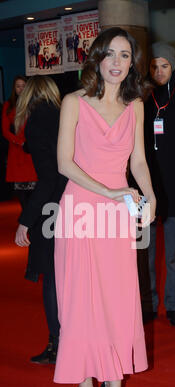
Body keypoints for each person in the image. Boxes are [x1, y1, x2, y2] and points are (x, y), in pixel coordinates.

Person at [53, 27, 156, 387]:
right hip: (80, 211)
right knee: (80, 306)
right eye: (110, 54)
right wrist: (111, 192)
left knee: (118, 304)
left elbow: (140, 162)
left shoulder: (135, 106)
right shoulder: (74, 102)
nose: (117, 62)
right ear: (96, 58)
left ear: (132, 63)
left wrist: (150, 198)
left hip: (116, 218)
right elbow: (64, 163)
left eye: (126, 55)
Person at [14, 76, 67, 364]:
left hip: (54, 206)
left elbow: (48, 177)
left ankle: (57, 344)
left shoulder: (36, 121)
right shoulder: (65, 115)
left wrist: (26, 219)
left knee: (51, 275)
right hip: (79, 200)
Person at [142, 42, 175, 327]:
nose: (159, 72)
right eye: (154, 66)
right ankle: (148, 303)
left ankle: (174, 305)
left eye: (164, 65)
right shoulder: (141, 101)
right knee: (146, 253)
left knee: (174, 254)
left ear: (173, 66)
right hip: (146, 189)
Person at [1, 75, 37, 210]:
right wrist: (19, 142)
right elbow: (5, 131)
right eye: (18, 86)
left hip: (32, 150)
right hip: (16, 150)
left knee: (34, 189)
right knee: (20, 190)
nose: (21, 89)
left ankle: (32, 218)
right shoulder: (8, 105)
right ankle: (26, 217)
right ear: (14, 89)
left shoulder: (34, 104)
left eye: (23, 86)